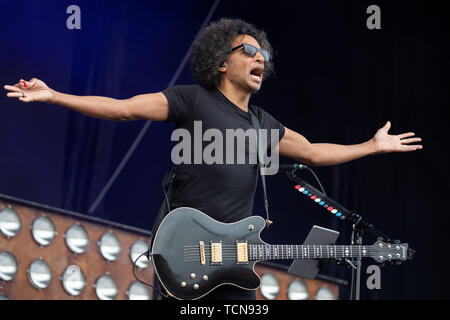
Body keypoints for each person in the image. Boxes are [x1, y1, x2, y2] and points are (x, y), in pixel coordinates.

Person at [3, 18, 422, 300]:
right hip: (184, 254)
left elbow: (312, 151)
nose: (261, 58)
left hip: (234, 265)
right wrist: (55, 95)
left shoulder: (262, 123)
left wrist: (371, 145)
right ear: (222, 61)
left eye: (265, 56)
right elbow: (124, 107)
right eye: (249, 51)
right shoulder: (192, 99)